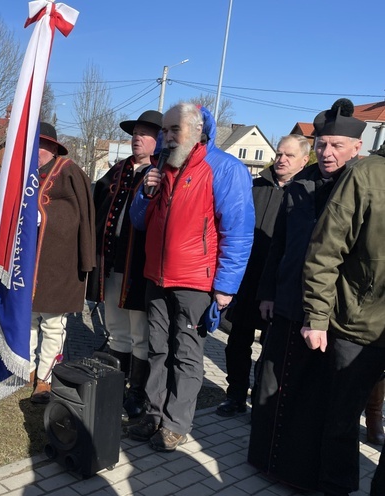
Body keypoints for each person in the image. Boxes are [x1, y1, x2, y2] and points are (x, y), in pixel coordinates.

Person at [247, 99, 365, 493]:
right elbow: (278, 244)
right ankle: (264, 459)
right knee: (269, 382)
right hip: (285, 300)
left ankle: (300, 473)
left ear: (356, 149)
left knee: (310, 397)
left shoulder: (359, 187)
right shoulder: (300, 183)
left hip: (330, 313)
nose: (327, 153)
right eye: (321, 145)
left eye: (336, 146)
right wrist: (267, 292)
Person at [127, 103, 254, 451]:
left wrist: (226, 287)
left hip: (196, 283)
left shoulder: (225, 169)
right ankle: (153, 417)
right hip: (157, 278)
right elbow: (139, 222)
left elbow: (239, 233)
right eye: (164, 131)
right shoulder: (160, 168)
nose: (166, 137)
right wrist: (144, 193)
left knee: (185, 354)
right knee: (156, 350)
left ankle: (176, 424)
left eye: (174, 130)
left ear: (198, 131)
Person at [301, 139, 385, 496]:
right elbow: (324, 251)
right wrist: (317, 317)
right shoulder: (366, 174)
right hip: (358, 324)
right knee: (342, 418)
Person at [216, 135, 311, 417]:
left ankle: (261, 399)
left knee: (270, 349)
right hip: (247, 280)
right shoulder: (253, 187)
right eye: (279, 153)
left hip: (282, 285)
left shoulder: (307, 194)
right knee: (237, 342)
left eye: (289, 156)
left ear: (304, 160)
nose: (281, 159)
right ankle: (235, 395)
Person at [86, 110, 163, 421]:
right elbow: (95, 202)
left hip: (140, 268)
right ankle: (118, 385)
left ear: (158, 141)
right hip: (112, 264)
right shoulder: (118, 170)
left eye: (145, 134)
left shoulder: (161, 172)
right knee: (116, 329)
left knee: (139, 333)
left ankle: (138, 393)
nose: (137, 138)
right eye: (135, 133)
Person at [29, 122, 96, 404]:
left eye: (44, 145)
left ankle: (45, 378)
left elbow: (83, 215)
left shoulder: (69, 172)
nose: (38, 151)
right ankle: (27, 370)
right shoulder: (22, 175)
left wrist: (86, 259)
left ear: (54, 148)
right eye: (35, 145)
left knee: (53, 323)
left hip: (58, 262)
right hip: (28, 263)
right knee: (28, 320)